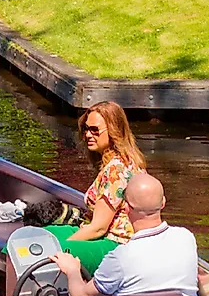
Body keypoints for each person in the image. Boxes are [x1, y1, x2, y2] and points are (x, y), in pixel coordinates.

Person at [56, 172, 200, 296]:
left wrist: (72, 270)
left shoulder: (119, 258)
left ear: (125, 208)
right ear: (163, 203)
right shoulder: (187, 238)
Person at [45, 101, 145, 278]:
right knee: (40, 235)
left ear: (114, 131)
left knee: (44, 251)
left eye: (95, 130)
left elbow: (98, 228)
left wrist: (64, 246)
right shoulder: (128, 161)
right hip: (109, 237)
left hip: (115, 245)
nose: (87, 135)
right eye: (85, 129)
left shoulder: (116, 170)